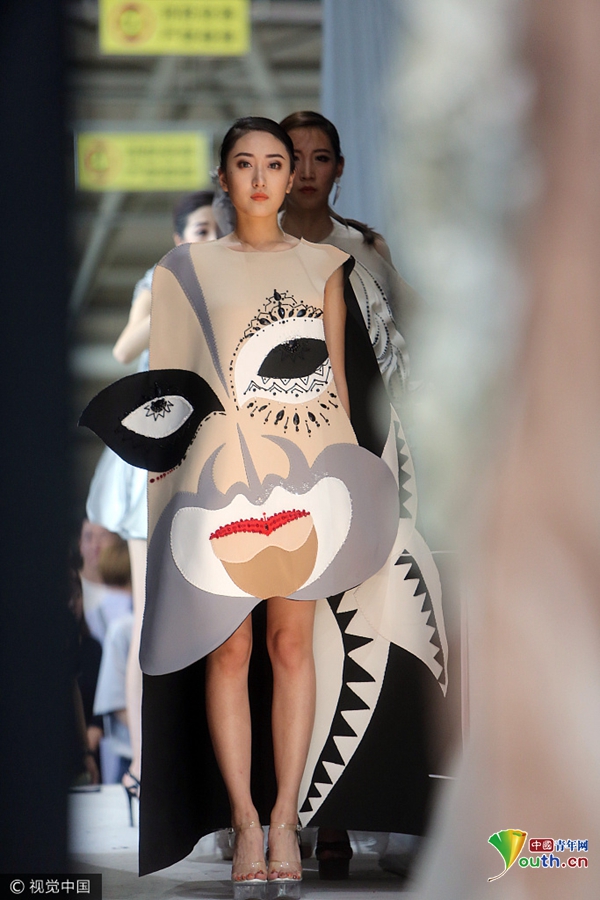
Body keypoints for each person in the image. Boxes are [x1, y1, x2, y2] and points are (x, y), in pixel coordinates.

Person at [80, 116, 448, 898]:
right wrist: (163, 494)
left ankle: (285, 820)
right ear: (223, 177)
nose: (261, 177)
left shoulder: (324, 264)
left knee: (289, 648)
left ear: (290, 177)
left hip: (306, 478)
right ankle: (244, 821)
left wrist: (358, 488)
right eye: (245, 163)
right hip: (215, 485)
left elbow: (337, 392)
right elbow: (171, 387)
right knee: (229, 653)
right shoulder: (181, 269)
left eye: (274, 163)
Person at [86, 190, 219, 811]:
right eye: (200, 229)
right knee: (148, 614)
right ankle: (142, 763)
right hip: (156, 451)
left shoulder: (234, 280)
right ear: (177, 237)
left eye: (215, 229)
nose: (209, 238)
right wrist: (175, 288)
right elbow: (122, 351)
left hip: (211, 451)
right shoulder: (159, 280)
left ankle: (195, 765)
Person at [280, 110, 419, 408]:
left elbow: (419, 324)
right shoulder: (252, 250)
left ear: (338, 167)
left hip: (361, 413)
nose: (307, 172)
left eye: (320, 158)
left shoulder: (367, 249)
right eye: (294, 159)